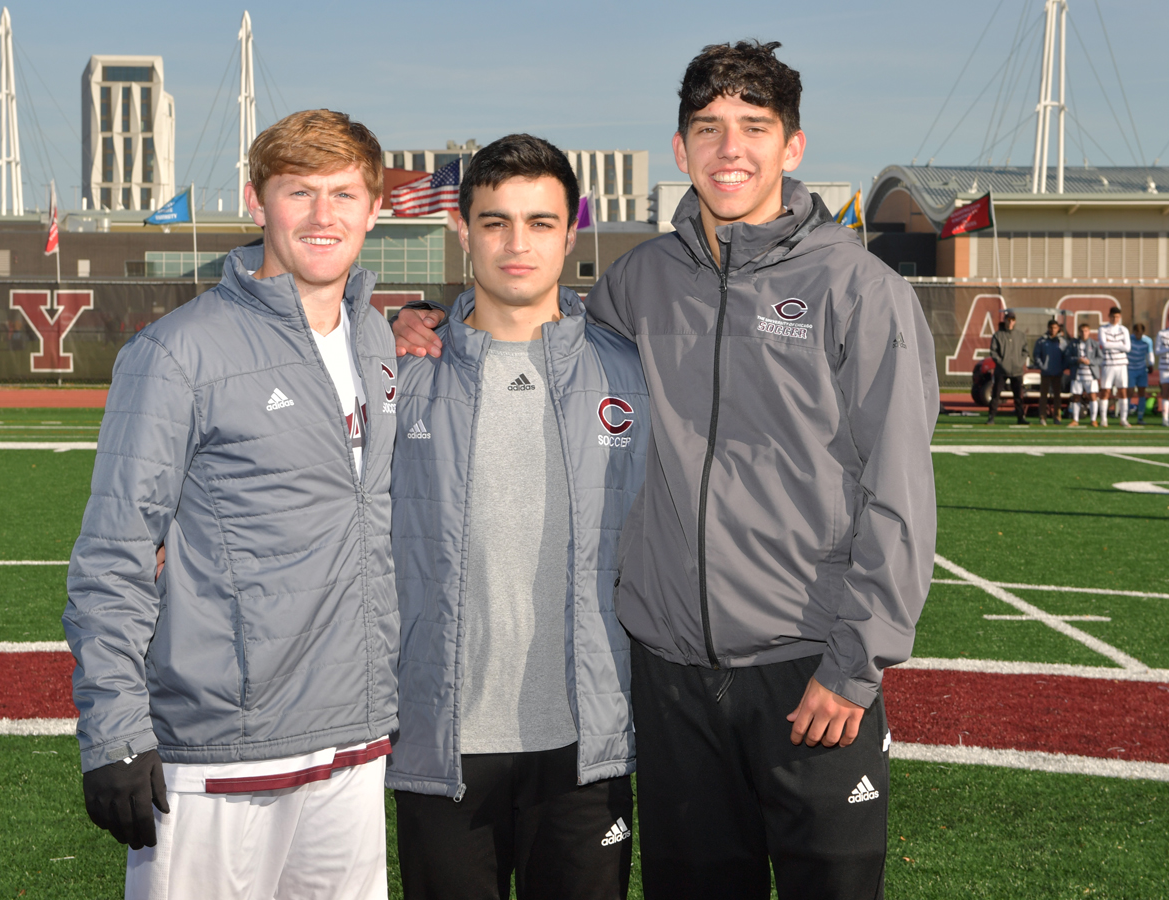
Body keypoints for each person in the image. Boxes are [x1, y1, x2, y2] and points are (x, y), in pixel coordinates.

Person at [394, 41, 938, 899]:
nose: (731, 148)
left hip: (808, 668)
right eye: (709, 128)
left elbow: (901, 493)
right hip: (671, 679)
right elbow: (534, 322)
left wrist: (854, 665)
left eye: (754, 126)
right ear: (680, 149)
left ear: (793, 145)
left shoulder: (860, 289)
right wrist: (423, 319)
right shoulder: (638, 283)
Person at [65, 109, 398, 900]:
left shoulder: (377, 337)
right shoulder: (177, 351)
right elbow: (113, 552)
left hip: (352, 741)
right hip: (223, 748)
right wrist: (114, 730)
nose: (323, 215)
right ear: (257, 202)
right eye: (299, 192)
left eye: (344, 194)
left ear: (375, 209)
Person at [387, 134, 647, 900]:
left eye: (540, 222)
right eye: (495, 221)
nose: (517, 243)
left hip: (585, 743)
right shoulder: (399, 371)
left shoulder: (630, 371)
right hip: (442, 742)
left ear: (571, 234)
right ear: (463, 231)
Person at [987, 309, 1028, 425]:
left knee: (1018, 396)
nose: (1010, 322)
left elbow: (1025, 351)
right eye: (1008, 319)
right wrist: (1002, 363)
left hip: (1017, 370)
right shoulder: (998, 335)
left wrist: (1019, 362)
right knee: (996, 395)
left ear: (1015, 321)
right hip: (1001, 370)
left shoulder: (1020, 335)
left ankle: (1020, 417)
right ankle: (991, 417)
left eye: (1012, 319)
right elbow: (993, 352)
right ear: (1004, 320)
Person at [1097, 307, 1131, 427]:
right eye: (1113, 316)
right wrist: (1120, 344)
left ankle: (1123, 419)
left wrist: (1111, 343)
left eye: (1117, 317)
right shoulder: (1103, 329)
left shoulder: (1124, 330)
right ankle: (1103, 419)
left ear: (1120, 317)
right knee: (1105, 391)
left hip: (1122, 365)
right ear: (1109, 316)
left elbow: (1128, 348)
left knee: (1122, 391)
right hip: (1108, 364)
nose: (1115, 319)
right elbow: (1104, 345)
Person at [1031, 319, 1067, 426]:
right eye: (1051, 327)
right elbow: (1036, 355)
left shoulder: (1062, 341)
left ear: (1058, 328)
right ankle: (1042, 417)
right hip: (1045, 373)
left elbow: (1066, 356)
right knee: (1043, 396)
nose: (1053, 330)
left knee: (1057, 397)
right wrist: (1042, 366)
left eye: (1055, 327)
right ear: (1048, 328)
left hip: (1058, 373)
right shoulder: (1042, 341)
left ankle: (1057, 418)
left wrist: (1062, 367)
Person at [1065, 322, 1100, 427]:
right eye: (1082, 331)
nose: (1084, 333)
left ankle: (1093, 420)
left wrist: (1090, 361)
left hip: (1091, 375)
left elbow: (1100, 358)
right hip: (1077, 375)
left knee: (1092, 396)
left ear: (1089, 332)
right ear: (1079, 332)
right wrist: (1077, 360)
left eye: (1086, 331)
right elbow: (1067, 357)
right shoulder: (1073, 344)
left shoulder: (1094, 344)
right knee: (1076, 397)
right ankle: (1075, 420)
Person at [1126, 321, 1154, 425]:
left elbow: (1150, 353)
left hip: (1142, 369)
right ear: (1134, 332)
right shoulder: (1128, 339)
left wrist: (1151, 364)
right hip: (1130, 369)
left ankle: (1140, 417)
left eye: (1140, 333)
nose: (1138, 335)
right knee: (1129, 392)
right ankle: (1125, 416)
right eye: (1137, 333)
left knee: (1142, 392)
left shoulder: (1147, 341)